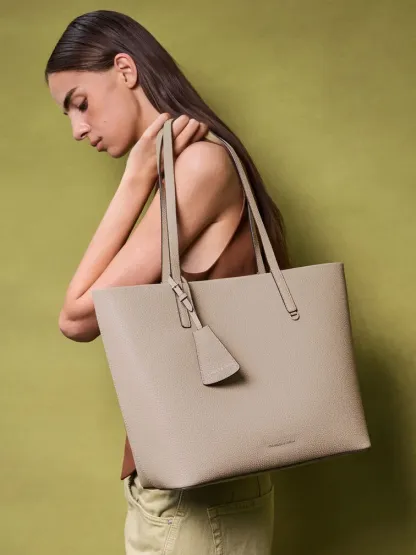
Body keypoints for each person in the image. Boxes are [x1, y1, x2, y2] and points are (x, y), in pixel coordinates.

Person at [45, 9, 292, 555]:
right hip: (193, 487)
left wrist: (133, 182)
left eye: (80, 103)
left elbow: (77, 317)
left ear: (125, 69)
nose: (77, 128)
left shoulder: (201, 166)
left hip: (197, 500)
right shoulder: (194, 166)